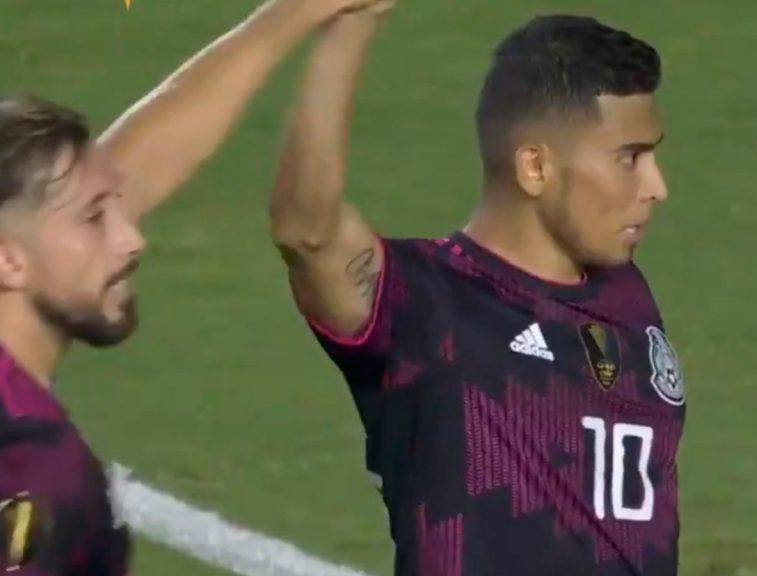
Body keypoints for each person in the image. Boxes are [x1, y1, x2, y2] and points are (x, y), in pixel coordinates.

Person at [272, 10, 683, 576]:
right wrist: (349, 27)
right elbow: (307, 233)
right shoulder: (425, 307)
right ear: (535, 167)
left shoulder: (626, 296)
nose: (657, 187)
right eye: (630, 158)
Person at [0, 0, 387, 573]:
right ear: (8, 262)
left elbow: (141, 159)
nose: (133, 238)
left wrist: (303, 13)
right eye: (94, 218)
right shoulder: (36, 470)